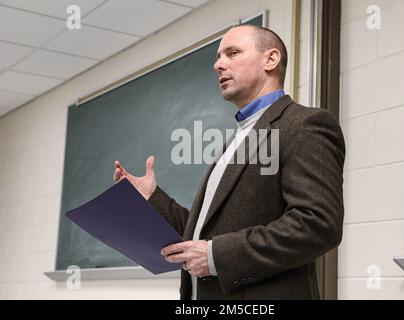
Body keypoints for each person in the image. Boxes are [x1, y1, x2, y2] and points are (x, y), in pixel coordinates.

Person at [113, 25, 345, 300]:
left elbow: (318, 224)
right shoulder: (234, 141)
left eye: (232, 53)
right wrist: (152, 197)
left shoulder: (304, 124)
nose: (218, 65)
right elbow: (203, 235)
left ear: (271, 60)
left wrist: (214, 256)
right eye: (218, 56)